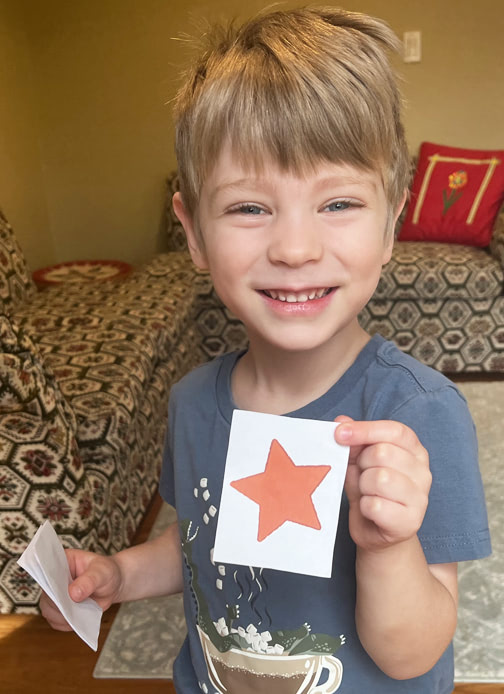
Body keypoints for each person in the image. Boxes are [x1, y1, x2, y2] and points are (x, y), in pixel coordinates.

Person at [41, 7, 491, 693]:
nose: (295, 248)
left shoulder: (416, 414)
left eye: (338, 204)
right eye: (249, 208)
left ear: (393, 220)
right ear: (192, 233)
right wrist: (121, 574)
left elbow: (413, 655)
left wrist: (390, 545)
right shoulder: (192, 400)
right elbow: (198, 541)